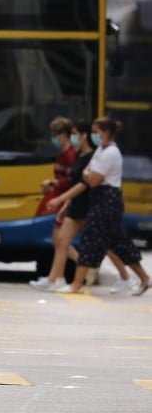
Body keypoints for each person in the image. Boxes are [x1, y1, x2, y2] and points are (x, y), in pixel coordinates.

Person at [46, 118, 150, 295]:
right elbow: (88, 173)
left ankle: (76, 284)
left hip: (107, 200)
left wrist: (88, 175)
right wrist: (89, 174)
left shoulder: (110, 153)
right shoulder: (100, 151)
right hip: (100, 199)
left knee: (90, 239)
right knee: (117, 242)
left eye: (96, 132)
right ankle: (143, 278)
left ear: (106, 132)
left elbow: (93, 180)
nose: (94, 136)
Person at [29, 120, 129, 292]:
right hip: (76, 203)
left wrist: (61, 199)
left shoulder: (95, 154)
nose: (73, 138)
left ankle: (126, 276)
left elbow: (86, 182)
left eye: (76, 134)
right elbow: (80, 179)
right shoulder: (82, 155)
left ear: (84, 136)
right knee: (62, 241)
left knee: (105, 244)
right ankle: (53, 280)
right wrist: (66, 202)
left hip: (89, 203)